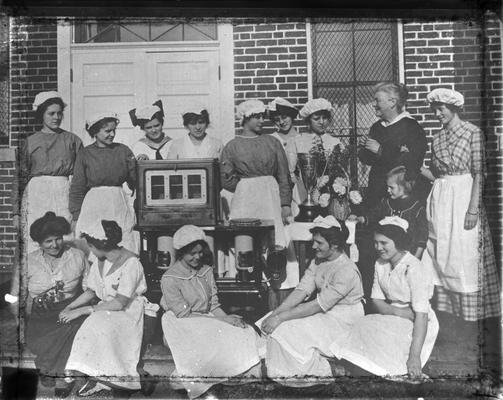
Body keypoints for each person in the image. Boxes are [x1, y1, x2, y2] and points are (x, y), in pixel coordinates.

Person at [421, 88, 500, 324]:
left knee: (464, 253)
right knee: (442, 253)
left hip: (464, 198)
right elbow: (436, 175)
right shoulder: (437, 138)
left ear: (454, 108)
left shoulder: (472, 133)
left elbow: (479, 173)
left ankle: (472, 318)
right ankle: (448, 316)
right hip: (441, 201)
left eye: (441, 109)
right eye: (434, 109)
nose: (437, 113)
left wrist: (473, 209)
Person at [160, 225, 264, 399]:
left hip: (206, 317)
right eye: (192, 253)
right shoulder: (170, 278)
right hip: (181, 321)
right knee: (217, 333)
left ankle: (239, 373)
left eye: (200, 252)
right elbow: (183, 314)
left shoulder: (206, 271)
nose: (197, 257)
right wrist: (222, 322)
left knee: (242, 329)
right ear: (181, 253)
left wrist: (228, 318)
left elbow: (213, 305)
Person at [260, 215, 364, 386]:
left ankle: (312, 375)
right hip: (324, 312)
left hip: (343, 320)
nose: (314, 246)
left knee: (286, 328)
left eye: (319, 243)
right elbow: (302, 289)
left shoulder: (346, 270)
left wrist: (280, 318)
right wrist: (276, 312)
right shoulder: (319, 260)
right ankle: (281, 375)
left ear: (335, 245)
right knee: (276, 324)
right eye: (314, 241)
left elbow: (317, 305)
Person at [335, 216, 439, 378]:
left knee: (386, 339)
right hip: (396, 313)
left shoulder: (414, 267)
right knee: (363, 324)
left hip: (419, 320)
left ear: (398, 242)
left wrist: (414, 357)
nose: (378, 247)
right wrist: (400, 313)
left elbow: (421, 315)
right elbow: (376, 301)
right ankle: (363, 367)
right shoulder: (380, 263)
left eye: (384, 243)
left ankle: (392, 369)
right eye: (376, 242)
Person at [60, 219, 148, 396]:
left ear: (98, 244)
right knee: (94, 322)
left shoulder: (131, 263)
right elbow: (92, 291)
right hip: (106, 308)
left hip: (127, 311)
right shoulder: (100, 260)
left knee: (96, 323)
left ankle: (114, 379)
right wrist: (70, 307)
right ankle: (98, 375)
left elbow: (120, 302)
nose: (90, 250)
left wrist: (83, 310)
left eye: (90, 246)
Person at [220, 99, 299, 290]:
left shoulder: (272, 142)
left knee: (272, 239)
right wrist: (243, 186)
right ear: (245, 119)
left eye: (262, 116)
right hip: (245, 198)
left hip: (270, 194)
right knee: (245, 240)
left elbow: (283, 174)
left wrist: (285, 204)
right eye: (256, 117)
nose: (261, 120)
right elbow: (224, 178)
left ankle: (275, 283)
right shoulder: (232, 146)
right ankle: (246, 283)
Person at [8, 212, 89, 397]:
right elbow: (13, 296)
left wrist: (82, 308)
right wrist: (19, 322)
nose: (55, 245)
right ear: (39, 243)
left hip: (69, 310)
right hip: (40, 316)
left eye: (58, 239)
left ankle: (55, 373)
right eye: (48, 241)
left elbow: (90, 288)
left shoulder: (77, 256)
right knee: (62, 331)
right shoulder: (28, 261)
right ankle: (50, 366)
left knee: (74, 325)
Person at [348, 166, 428, 297]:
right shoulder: (386, 203)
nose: (388, 190)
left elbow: (422, 235)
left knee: (405, 286)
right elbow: (373, 215)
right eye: (387, 187)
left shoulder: (417, 207)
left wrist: (416, 257)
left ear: (404, 186)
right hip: (386, 255)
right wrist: (361, 218)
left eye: (392, 187)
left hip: (406, 255)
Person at [19, 91, 83, 254]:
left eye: (59, 113)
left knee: (65, 235)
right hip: (37, 194)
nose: (56, 117)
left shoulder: (72, 140)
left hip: (63, 191)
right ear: (42, 114)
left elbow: (81, 176)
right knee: (37, 236)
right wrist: (15, 212)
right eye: (51, 113)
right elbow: (20, 177)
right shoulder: (30, 142)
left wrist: (77, 209)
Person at [69, 112, 139, 253]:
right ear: (95, 131)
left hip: (117, 202)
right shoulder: (85, 154)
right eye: (107, 131)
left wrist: (137, 165)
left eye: (114, 130)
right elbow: (78, 187)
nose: (112, 134)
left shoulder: (123, 150)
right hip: (94, 204)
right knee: (96, 240)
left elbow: (135, 182)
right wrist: (76, 215)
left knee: (122, 241)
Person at [358, 82, 427, 208]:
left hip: (401, 195)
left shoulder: (411, 127)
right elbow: (366, 159)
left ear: (392, 102)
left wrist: (380, 151)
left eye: (377, 100)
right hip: (377, 192)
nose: (374, 104)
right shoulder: (376, 127)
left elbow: (413, 162)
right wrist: (364, 147)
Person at [268, 97, 306, 217]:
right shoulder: (272, 139)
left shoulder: (302, 138)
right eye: (277, 119)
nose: (282, 122)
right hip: (279, 187)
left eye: (284, 117)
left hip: (299, 187)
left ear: (291, 116)